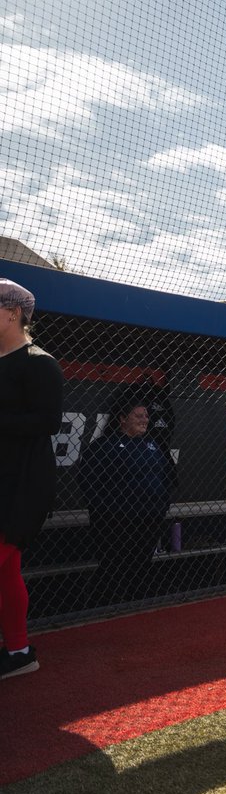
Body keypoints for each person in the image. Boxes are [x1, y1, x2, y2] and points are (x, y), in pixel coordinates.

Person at [0, 279, 62, 679]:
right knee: (8, 572)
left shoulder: (40, 362)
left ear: (12, 313)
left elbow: (47, 421)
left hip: (22, 486)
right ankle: (19, 651)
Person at [78, 396, 177, 606]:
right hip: (115, 521)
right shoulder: (105, 446)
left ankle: (137, 607)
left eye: (146, 416)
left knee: (141, 566)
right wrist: (106, 508)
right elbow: (87, 480)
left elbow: (168, 477)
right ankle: (104, 608)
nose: (144, 420)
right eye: (138, 416)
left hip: (149, 519)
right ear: (122, 418)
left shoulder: (153, 445)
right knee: (113, 568)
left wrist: (162, 505)